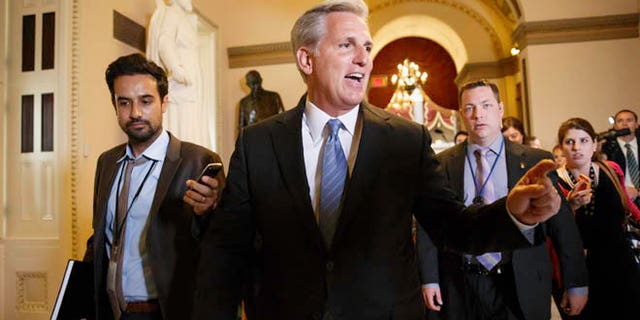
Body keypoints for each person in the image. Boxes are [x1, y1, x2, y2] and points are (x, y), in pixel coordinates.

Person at [193, 1, 561, 319]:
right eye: (346, 45)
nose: (364, 59)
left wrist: (511, 214)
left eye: (367, 47)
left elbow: (452, 227)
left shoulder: (404, 139)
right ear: (306, 58)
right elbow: (227, 249)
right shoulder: (259, 143)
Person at [416, 80, 587, 320]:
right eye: (469, 108)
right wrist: (430, 279)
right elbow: (430, 226)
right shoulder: (442, 164)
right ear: (462, 114)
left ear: (500, 109)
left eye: (486, 105)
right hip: (461, 283)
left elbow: (563, 226)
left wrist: (576, 282)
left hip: (520, 279)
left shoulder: (536, 160)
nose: (478, 115)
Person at [83, 53, 223, 320]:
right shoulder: (107, 162)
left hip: (164, 312)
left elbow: (224, 243)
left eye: (146, 101)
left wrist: (210, 210)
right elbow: (99, 237)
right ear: (114, 105)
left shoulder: (198, 161)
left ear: (164, 102)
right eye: (124, 102)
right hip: (110, 311)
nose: (135, 113)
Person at [555, 117, 640, 319]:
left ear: (594, 144)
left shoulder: (611, 169)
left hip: (621, 262)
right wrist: (571, 206)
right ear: (561, 147)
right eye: (570, 142)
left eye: (584, 141)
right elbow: (554, 228)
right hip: (583, 268)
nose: (577, 147)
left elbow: (628, 205)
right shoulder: (554, 180)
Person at [147, 0, 210, 148]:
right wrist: (176, 69)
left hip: (191, 81)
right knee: (184, 121)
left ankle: (195, 159)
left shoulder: (185, 18)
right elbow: (164, 42)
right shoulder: (171, 13)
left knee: (194, 120)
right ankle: (185, 161)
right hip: (182, 81)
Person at [601, 109, 640, 207]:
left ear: (636, 124)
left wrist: (638, 191)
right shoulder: (607, 148)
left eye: (629, 120)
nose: (624, 124)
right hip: (619, 199)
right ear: (615, 126)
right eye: (620, 121)